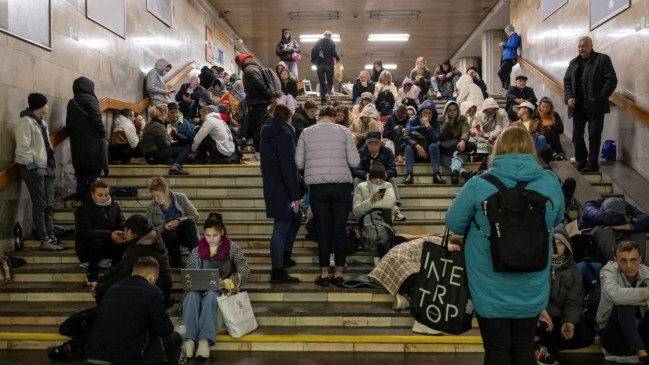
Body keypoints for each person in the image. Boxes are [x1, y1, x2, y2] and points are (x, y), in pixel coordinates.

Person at [445, 126, 565, 365]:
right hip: (532, 283)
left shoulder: (479, 184)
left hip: (488, 283)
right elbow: (558, 217)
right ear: (530, 149)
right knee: (523, 348)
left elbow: (453, 222)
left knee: (496, 349)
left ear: (498, 149)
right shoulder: (550, 181)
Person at [295, 106, 360, 287]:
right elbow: (355, 161)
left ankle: (324, 274)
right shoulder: (345, 131)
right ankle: (338, 272)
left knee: (323, 231)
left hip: (318, 188)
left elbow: (298, 162)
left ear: (319, 116)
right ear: (334, 117)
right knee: (339, 230)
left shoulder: (306, 133)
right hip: (341, 187)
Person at [85, 256, 182, 365]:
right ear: (152, 277)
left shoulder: (113, 289)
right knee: (176, 338)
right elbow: (165, 329)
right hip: (122, 356)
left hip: (93, 352)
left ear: (133, 273)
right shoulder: (153, 292)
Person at [182, 213, 250, 359]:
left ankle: (204, 341)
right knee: (192, 296)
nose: (211, 239)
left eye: (215, 235)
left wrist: (225, 282)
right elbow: (189, 274)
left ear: (222, 233)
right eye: (208, 235)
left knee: (212, 296)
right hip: (199, 290)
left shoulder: (233, 249)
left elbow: (245, 271)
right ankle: (189, 340)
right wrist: (196, 282)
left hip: (222, 291)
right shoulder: (196, 251)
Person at [534, 225, 595, 365]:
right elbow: (529, 294)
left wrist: (569, 322)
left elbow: (573, 301)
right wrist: (540, 312)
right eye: (551, 243)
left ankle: (540, 348)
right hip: (537, 315)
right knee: (529, 326)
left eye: (560, 243)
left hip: (558, 317)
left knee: (585, 336)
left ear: (567, 246)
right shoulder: (537, 265)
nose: (555, 248)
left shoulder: (575, 270)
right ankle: (536, 347)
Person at [15, 93, 63, 251]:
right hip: (35, 168)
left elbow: (46, 145)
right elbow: (23, 147)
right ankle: (45, 239)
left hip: (47, 166)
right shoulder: (25, 122)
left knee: (49, 204)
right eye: (45, 104)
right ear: (40, 105)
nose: (48, 106)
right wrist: (32, 166)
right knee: (40, 204)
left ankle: (51, 235)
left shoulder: (42, 122)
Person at [90, 215, 173, 305]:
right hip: (159, 290)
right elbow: (121, 266)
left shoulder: (140, 249)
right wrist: (100, 281)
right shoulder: (152, 238)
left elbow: (123, 276)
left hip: (154, 294)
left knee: (108, 295)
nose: (124, 233)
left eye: (125, 230)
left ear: (129, 232)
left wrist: (99, 288)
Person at [563, 36, 618, 172]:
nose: (581, 49)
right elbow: (567, 82)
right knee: (577, 135)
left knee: (594, 136)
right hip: (578, 107)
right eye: (579, 46)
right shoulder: (573, 63)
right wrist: (569, 97)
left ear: (591, 46)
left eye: (584, 46)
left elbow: (611, 80)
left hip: (596, 106)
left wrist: (601, 97)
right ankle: (581, 160)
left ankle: (592, 163)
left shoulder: (602, 59)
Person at [260, 104, 302, 284]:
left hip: (272, 185)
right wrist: (295, 195)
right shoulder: (285, 135)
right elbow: (288, 167)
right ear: (288, 118)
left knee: (296, 218)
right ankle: (278, 270)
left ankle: (285, 256)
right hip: (283, 188)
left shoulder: (267, 132)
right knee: (282, 226)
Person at [597, 241, 649, 364]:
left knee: (625, 300)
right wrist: (647, 293)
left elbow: (621, 296)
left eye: (633, 260)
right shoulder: (607, 271)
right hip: (614, 334)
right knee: (623, 304)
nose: (629, 265)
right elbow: (616, 296)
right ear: (616, 260)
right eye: (623, 261)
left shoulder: (647, 272)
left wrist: (642, 302)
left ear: (640, 259)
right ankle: (642, 354)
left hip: (640, 331)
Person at [75, 179, 128, 282]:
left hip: (110, 243)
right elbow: (86, 232)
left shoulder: (114, 206)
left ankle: (115, 271)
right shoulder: (83, 209)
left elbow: (121, 223)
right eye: (100, 195)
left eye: (106, 195)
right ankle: (92, 271)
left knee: (121, 241)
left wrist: (122, 232)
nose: (104, 198)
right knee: (98, 242)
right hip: (89, 246)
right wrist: (109, 234)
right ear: (92, 194)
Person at [66, 76, 108, 200]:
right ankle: (92, 201)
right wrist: (102, 133)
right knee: (94, 175)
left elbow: (69, 123)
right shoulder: (90, 99)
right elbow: (96, 119)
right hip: (93, 146)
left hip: (78, 146)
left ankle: (82, 200)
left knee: (81, 174)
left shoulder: (72, 102)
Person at [146, 176, 199, 267]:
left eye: (158, 195)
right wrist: (163, 227)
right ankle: (173, 256)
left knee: (188, 223)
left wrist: (179, 221)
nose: (156, 199)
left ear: (166, 192)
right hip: (167, 238)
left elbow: (195, 216)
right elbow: (149, 231)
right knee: (172, 235)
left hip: (184, 234)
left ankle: (197, 258)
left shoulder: (181, 197)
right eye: (153, 196)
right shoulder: (151, 207)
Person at [235, 53, 279, 163]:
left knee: (257, 131)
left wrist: (269, 96)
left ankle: (259, 156)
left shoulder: (249, 71)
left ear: (241, 63)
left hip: (256, 104)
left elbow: (259, 85)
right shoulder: (257, 68)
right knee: (262, 130)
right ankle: (263, 154)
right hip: (262, 103)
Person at [352, 132, 405, 222]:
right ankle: (357, 209)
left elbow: (393, 169)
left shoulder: (387, 152)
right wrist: (365, 174)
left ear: (380, 143)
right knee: (357, 180)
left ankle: (396, 207)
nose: (373, 146)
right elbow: (355, 169)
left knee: (392, 179)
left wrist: (385, 174)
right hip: (366, 178)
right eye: (370, 144)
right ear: (366, 144)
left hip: (382, 178)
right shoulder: (361, 152)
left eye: (375, 143)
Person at [579, 197, 649, 262]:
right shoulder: (590, 207)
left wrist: (628, 226)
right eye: (613, 215)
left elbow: (647, 220)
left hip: (617, 239)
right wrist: (629, 219)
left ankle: (637, 265)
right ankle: (615, 267)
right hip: (593, 245)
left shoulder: (624, 205)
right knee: (604, 229)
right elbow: (605, 219)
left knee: (638, 229)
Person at [139, 103, 190, 175]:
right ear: (164, 114)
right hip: (153, 155)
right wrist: (168, 133)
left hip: (150, 154)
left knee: (177, 157)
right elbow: (166, 145)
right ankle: (175, 168)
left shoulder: (151, 124)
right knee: (184, 149)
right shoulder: (158, 126)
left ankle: (173, 163)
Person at [352, 162, 396, 244]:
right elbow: (356, 211)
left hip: (384, 221)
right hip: (366, 223)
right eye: (375, 180)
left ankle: (386, 239)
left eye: (381, 180)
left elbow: (390, 203)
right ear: (370, 178)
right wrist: (370, 201)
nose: (377, 183)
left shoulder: (387, 185)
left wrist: (372, 203)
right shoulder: (361, 187)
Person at [402, 100, 444, 185]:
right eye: (425, 112)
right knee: (408, 147)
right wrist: (417, 146)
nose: (427, 116)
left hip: (429, 154)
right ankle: (409, 174)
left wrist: (428, 126)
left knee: (434, 146)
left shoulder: (436, 123)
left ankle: (436, 173)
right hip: (416, 153)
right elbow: (405, 136)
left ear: (433, 114)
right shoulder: (413, 120)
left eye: (429, 113)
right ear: (421, 112)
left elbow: (436, 139)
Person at [438, 100, 474, 185]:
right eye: (449, 110)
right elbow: (440, 136)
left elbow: (466, 131)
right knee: (443, 157)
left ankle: (455, 173)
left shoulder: (462, 119)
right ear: (446, 111)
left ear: (457, 110)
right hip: (445, 150)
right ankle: (463, 173)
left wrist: (463, 140)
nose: (452, 112)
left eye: (454, 110)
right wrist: (446, 123)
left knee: (459, 152)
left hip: (459, 147)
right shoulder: (441, 120)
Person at [311, 30, 340, 106]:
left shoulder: (319, 42)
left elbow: (313, 50)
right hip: (329, 65)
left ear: (324, 35)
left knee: (322, 84)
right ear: (330, 36)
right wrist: (337, 58)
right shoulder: (332, 42)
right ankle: (327, 94)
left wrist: (315, 60)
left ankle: (323, 101)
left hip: (320, 65)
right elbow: (333, 53)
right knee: (329, 82)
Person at [535, 96, 566, 161]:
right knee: (548, 132)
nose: (545, 109)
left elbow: (560, 129)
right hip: (541, 136)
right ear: (540, 106)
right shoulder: (536, 115)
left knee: (551, 132)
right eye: (543, 106)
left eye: (547, 107)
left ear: (550, 107)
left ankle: (556, 153)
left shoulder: (555, 115)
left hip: (553, 137)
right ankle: (559, 151)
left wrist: (551, 128)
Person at [498, 24, 521, 91]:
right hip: (507, 57)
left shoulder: (514, 36)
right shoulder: (511, 37)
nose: (506, 34)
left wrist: (504, 43)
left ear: (509, 30)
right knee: (506, 73)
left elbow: (514, 45)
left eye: (507, 32)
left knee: (501, 72)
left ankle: (505, 87)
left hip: (510, 58)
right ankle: (507, 88)